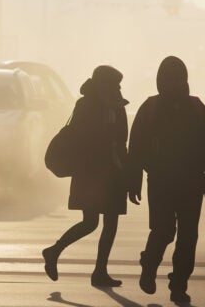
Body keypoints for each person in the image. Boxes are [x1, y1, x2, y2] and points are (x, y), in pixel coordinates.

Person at [42, 65, 131, 287]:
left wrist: (127, 171)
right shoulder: (86, 105)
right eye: (114, 84)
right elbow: (84, 139)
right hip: (91, 172)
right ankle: (54, 251)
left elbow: (122, 140)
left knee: (110, 223)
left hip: (112, 172)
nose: (118, 88)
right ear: (103, 84)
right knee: (91, 222)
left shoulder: (117, 105)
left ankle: (99, 271)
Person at [128, 56, 205, 304]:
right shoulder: (150, 108)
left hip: (192, 182)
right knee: (163, 230)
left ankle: (178, 284)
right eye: (168, 78)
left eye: (176, 78)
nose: (172, 83)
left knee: (188, 235)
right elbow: (136, 149)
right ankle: (149, 265)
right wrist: (133, 181)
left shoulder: (196, 107)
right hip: (161, 180)